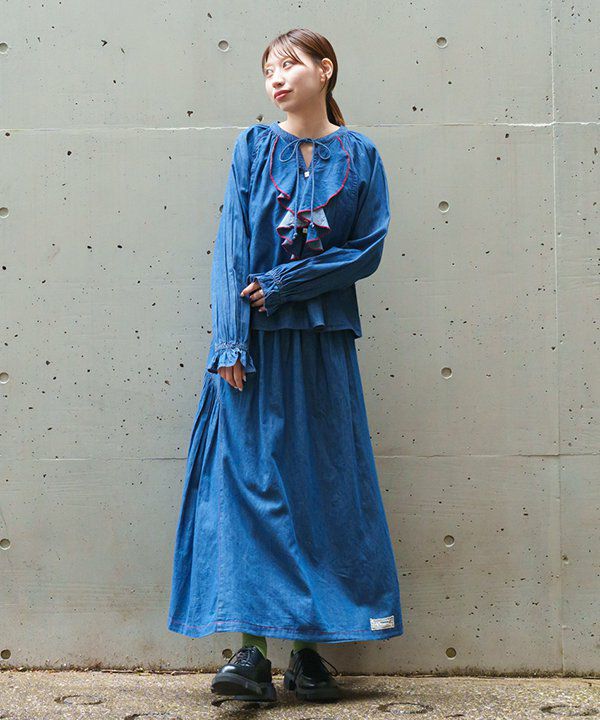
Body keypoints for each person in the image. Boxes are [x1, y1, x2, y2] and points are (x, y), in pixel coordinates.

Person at [167, 27, 404, 705]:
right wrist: (230, 342)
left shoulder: (362, 155)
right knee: (248, 490)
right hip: (253, 351)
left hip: (323, 347)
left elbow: (367, 249)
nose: (275, 77)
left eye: (288, 65)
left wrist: (286, 283)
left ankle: (306, 654)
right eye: (268, 68)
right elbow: (231, 247)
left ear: (324, 70)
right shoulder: (252, 146)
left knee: (319, 489)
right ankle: (251, 654)